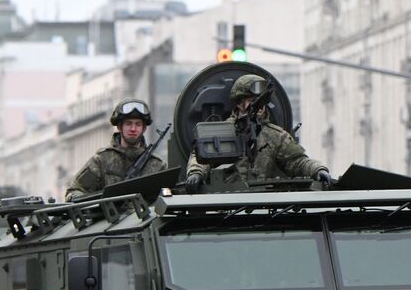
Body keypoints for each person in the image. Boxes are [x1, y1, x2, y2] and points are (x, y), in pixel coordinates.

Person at [185, 74, 330, 192]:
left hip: (263, 204)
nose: (259, 106)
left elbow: (297, 162)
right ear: (239, 103)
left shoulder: (275, 136)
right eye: (252, 101)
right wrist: (195, 173)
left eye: (262, 101)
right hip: (227, 203)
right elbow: (199, 157)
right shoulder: (222, 131)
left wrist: (317, 170)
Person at [64, 99, 165, 201]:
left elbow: (171, 195)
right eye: (128, 124)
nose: (133, 129)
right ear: (119, 127)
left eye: (138, 124)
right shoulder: (102, 160)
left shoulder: (157, 165)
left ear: (144, 129)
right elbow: (75, 191)